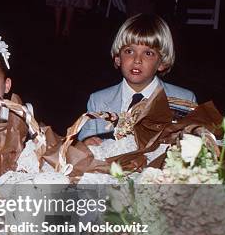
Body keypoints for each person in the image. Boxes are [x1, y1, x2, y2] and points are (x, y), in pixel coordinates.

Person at [78, 13, 197, 144]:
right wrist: (87, 142)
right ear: (118, 58)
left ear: (162, 63)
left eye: (148, 53)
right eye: (129, 51)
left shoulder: (184, 100)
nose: (137, 60)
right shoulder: (99, 100)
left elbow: (192, 145)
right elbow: (83, 142)